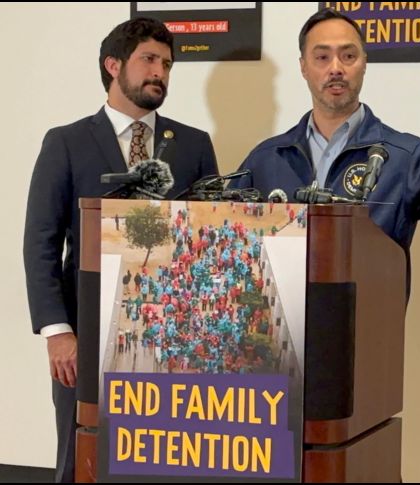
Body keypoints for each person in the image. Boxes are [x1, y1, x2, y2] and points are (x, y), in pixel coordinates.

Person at [23, 17, 218, 482]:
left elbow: (210, 239)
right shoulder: (66, 142)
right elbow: (41, 242)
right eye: (149, 60)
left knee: (168, 456)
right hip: (86, 333)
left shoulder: (193, 145)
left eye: (167, 65)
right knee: (81, 457)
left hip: (173, 333)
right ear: (113, 65)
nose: (160, 73)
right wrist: (58, 332)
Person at [231, 8, 420, 261]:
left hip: (368, 306)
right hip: (277, 308)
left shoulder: (403, 156)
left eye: (348, 56)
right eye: (322, 57)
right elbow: (224, 228)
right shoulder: (267, 158)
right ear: (303, 67)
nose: (336, 68)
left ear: (364, 63)